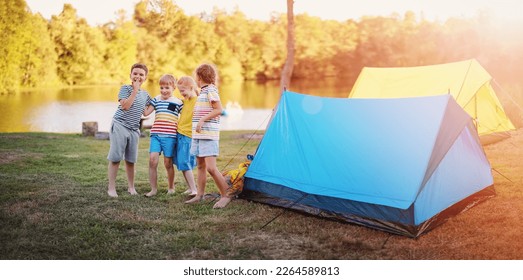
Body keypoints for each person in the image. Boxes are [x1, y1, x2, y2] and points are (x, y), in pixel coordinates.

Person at [185, 63, 231, 208]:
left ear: (199, 77)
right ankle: (200, 195)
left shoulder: (211, 90)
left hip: (208, 135)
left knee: (211, 168)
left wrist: (202, 120)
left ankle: (226, 195)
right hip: (199, 135)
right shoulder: (203, 91)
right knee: (200, 166)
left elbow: (219, 109)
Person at [107, 63, 151, 197]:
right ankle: (111, 188)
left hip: (134, 129)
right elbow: (125, 106)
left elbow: (146, 112)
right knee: (115, 158)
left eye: (141, 74)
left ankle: (131, 187)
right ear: (130, 76)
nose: (138, 76)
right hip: (120, 125)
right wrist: (135, 90)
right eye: (135, 73)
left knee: (131, 160)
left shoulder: (145, 95)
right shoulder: (125, 89)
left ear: (145, 78)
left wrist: (161, 102)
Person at [142, 74, 183, 197]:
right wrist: (140, 99)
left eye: (167, 88)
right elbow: (146, 112)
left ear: (173, 88)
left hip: (170, 137)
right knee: (152, 161)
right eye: (161, 88)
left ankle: (171, 187)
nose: (164, 90)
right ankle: (153, 189)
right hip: (156, 135)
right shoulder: (156, 100)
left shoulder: (178, 102)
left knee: (167, 163)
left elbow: (186, 117)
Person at [174, 76, 199, 196]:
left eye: (183, 90)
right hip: (180, 133)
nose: (181, 93)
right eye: (180, 91)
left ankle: (194, 189)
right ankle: (190, 187)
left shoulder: (198, 101)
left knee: (185, 161)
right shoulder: (185, 101)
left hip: (188, 136)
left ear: (191, 87)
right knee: (181, 162)